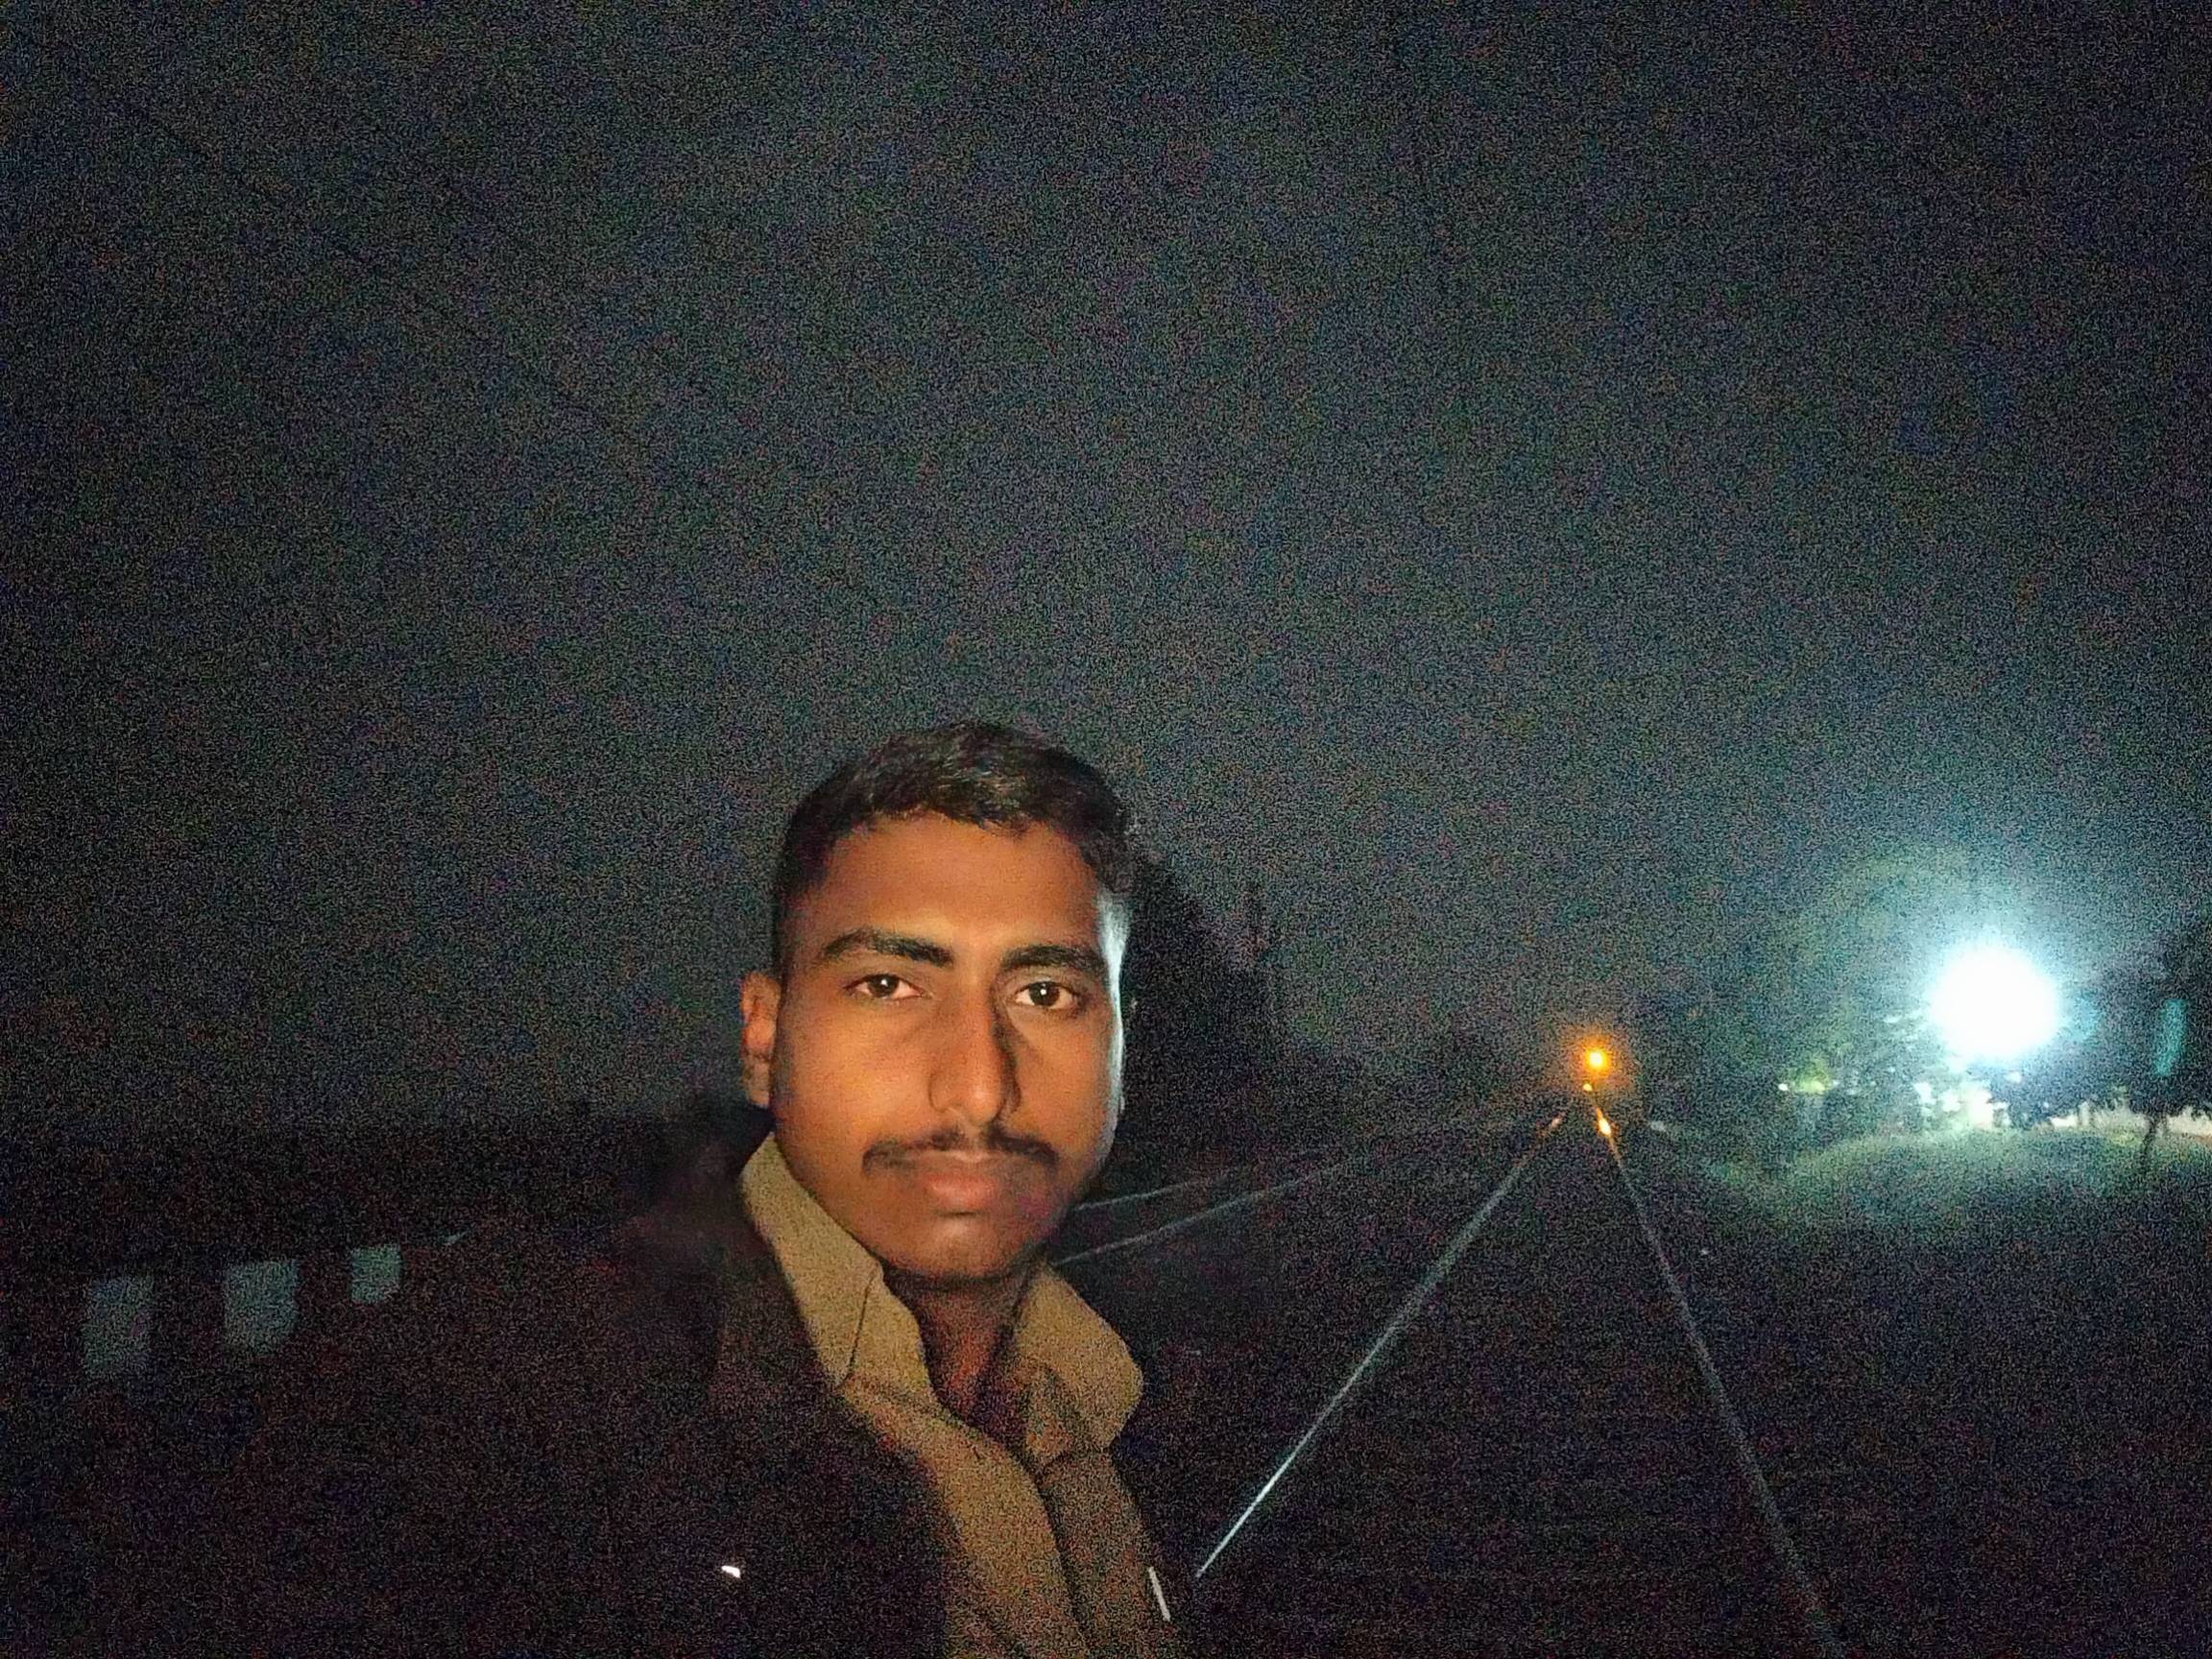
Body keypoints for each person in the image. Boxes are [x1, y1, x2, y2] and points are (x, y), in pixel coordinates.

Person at [162, 722, 1189, 1656]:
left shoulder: (1118, 1395)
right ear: (765, 1039)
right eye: (887, 986)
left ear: (1121, 1051)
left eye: (1046, 993)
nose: (977, 1085)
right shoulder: (512, 1401)